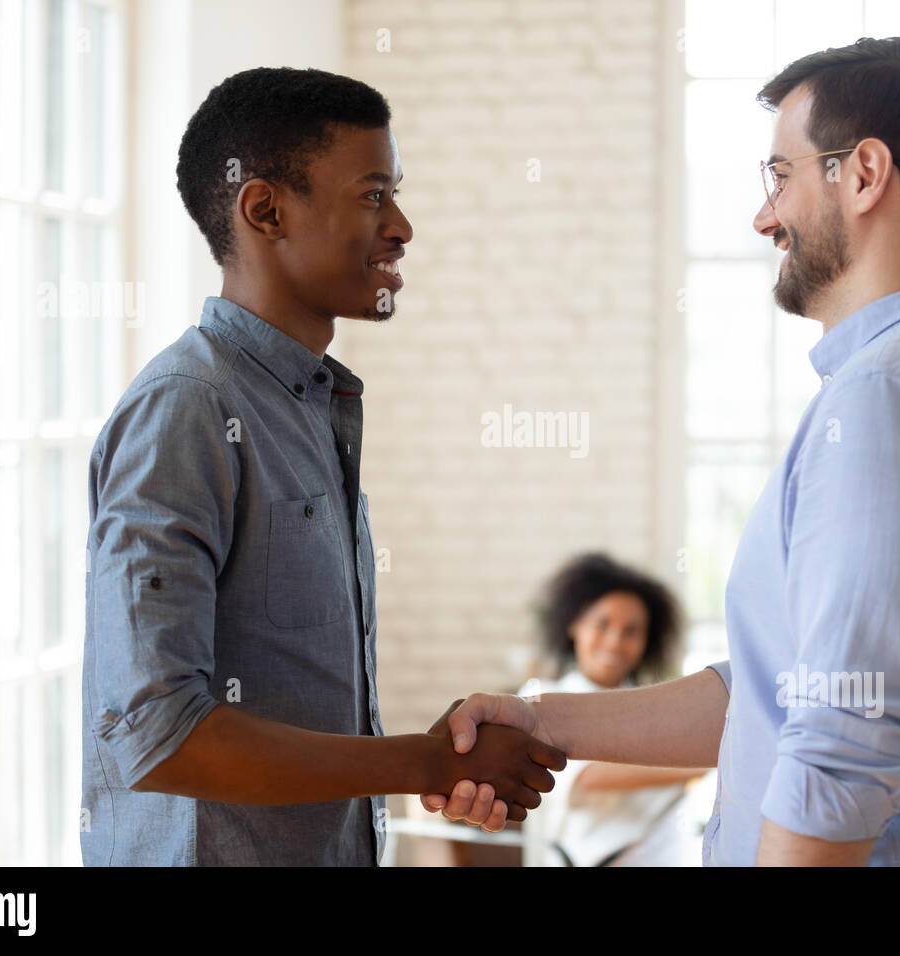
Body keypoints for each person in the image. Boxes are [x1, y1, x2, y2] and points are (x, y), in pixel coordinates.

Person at [424, 36, 900, 866]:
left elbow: (845, 740)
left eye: (781, 176)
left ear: (863, 175)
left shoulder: (890, 397)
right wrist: (543, 722)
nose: (764, 216)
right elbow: (777, 690)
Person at [81, 67, 564, 866]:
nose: (403, 225)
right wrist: (424, 759)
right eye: (374, 195)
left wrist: (434, 755)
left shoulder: (311, 406)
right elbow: (159, 735)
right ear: (266, 209)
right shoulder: (186, 410)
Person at [517, 554, 706, 866]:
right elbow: (588, 776)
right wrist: (705, 760)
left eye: (631, 631)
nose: (615, 641)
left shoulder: (650, 703)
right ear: (575, 624)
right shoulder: (542, 698)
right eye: (602, 625)